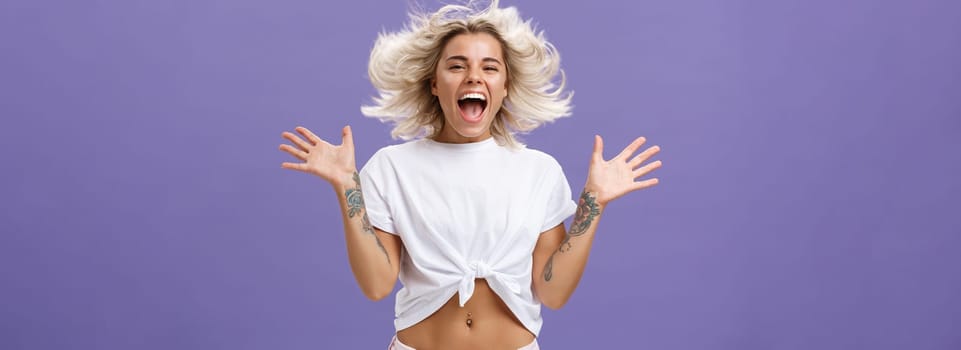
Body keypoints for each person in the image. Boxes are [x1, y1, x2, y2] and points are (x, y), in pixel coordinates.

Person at [278, 1, 662, 348]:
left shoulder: (538, 171)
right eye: (457, 65)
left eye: (489, 67)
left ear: (505, 85)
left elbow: (553, 292)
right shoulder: (392, 167)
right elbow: (377, 285)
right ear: (434, 83)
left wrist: (593, 201)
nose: (474, 77)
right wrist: (347, 186)